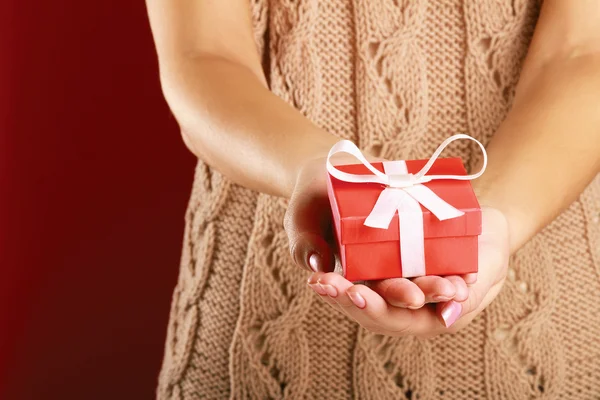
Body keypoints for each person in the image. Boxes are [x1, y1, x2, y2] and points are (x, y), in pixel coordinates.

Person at [146, 0, 600, 398]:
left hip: (546, 330)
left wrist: (493, 216)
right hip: (259, 337)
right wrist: (322, 169)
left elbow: (583, 52)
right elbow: (204, 56)